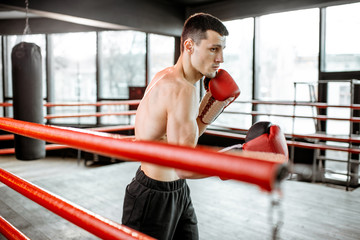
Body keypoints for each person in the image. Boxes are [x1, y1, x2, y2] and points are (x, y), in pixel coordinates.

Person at [122, 13, 239, 240]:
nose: (221, 58)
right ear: (189, 46)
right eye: (214, 49)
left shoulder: (169, 76)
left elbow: (183, 140)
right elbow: (184, 166)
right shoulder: (181, 90)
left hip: (176, 190)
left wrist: (211, 107)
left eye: (222, 49)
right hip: (153, 197)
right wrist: (238, 159)